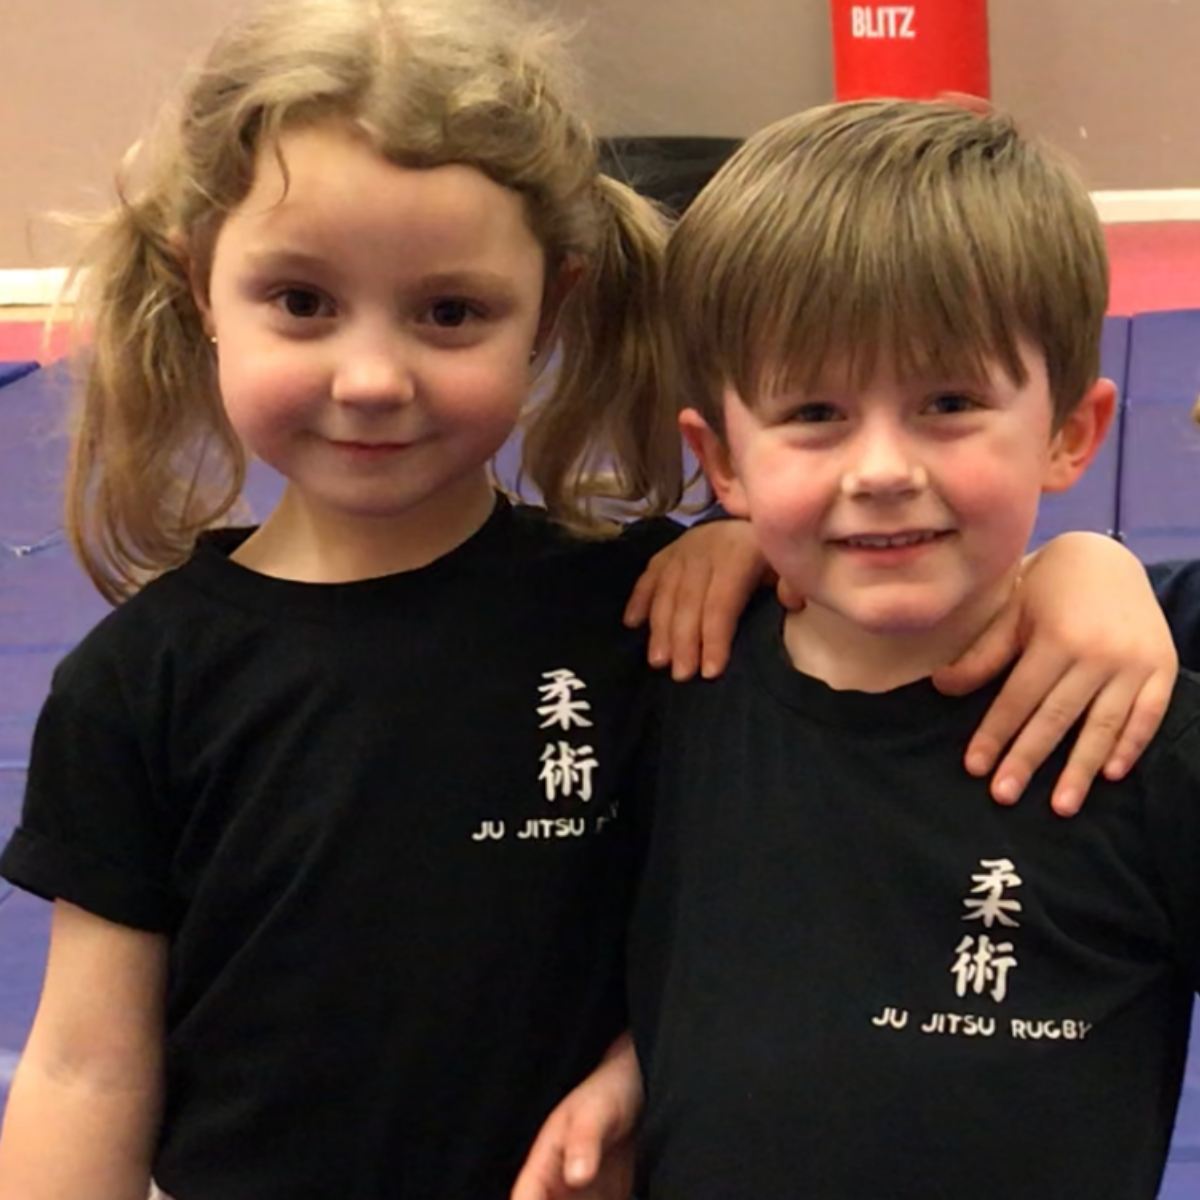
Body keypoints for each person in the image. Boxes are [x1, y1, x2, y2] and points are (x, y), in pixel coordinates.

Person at [0, 7, 1179, 1196]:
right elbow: (86, 1068)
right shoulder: (142, 682)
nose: (370, 378)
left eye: (449, 311)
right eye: (302, 302)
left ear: (548, 311)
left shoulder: (648, 618)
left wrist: (1091, 570)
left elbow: (874, 606)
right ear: (204, 283)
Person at [613, 100, 1200, 1199]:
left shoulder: (1134, 740)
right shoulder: (673, 681)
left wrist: (1099, 562)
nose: (881, 466)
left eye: (947, 401)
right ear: (722, 459)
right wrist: (624, 1064)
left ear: (1071, 431)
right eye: (815, 413)